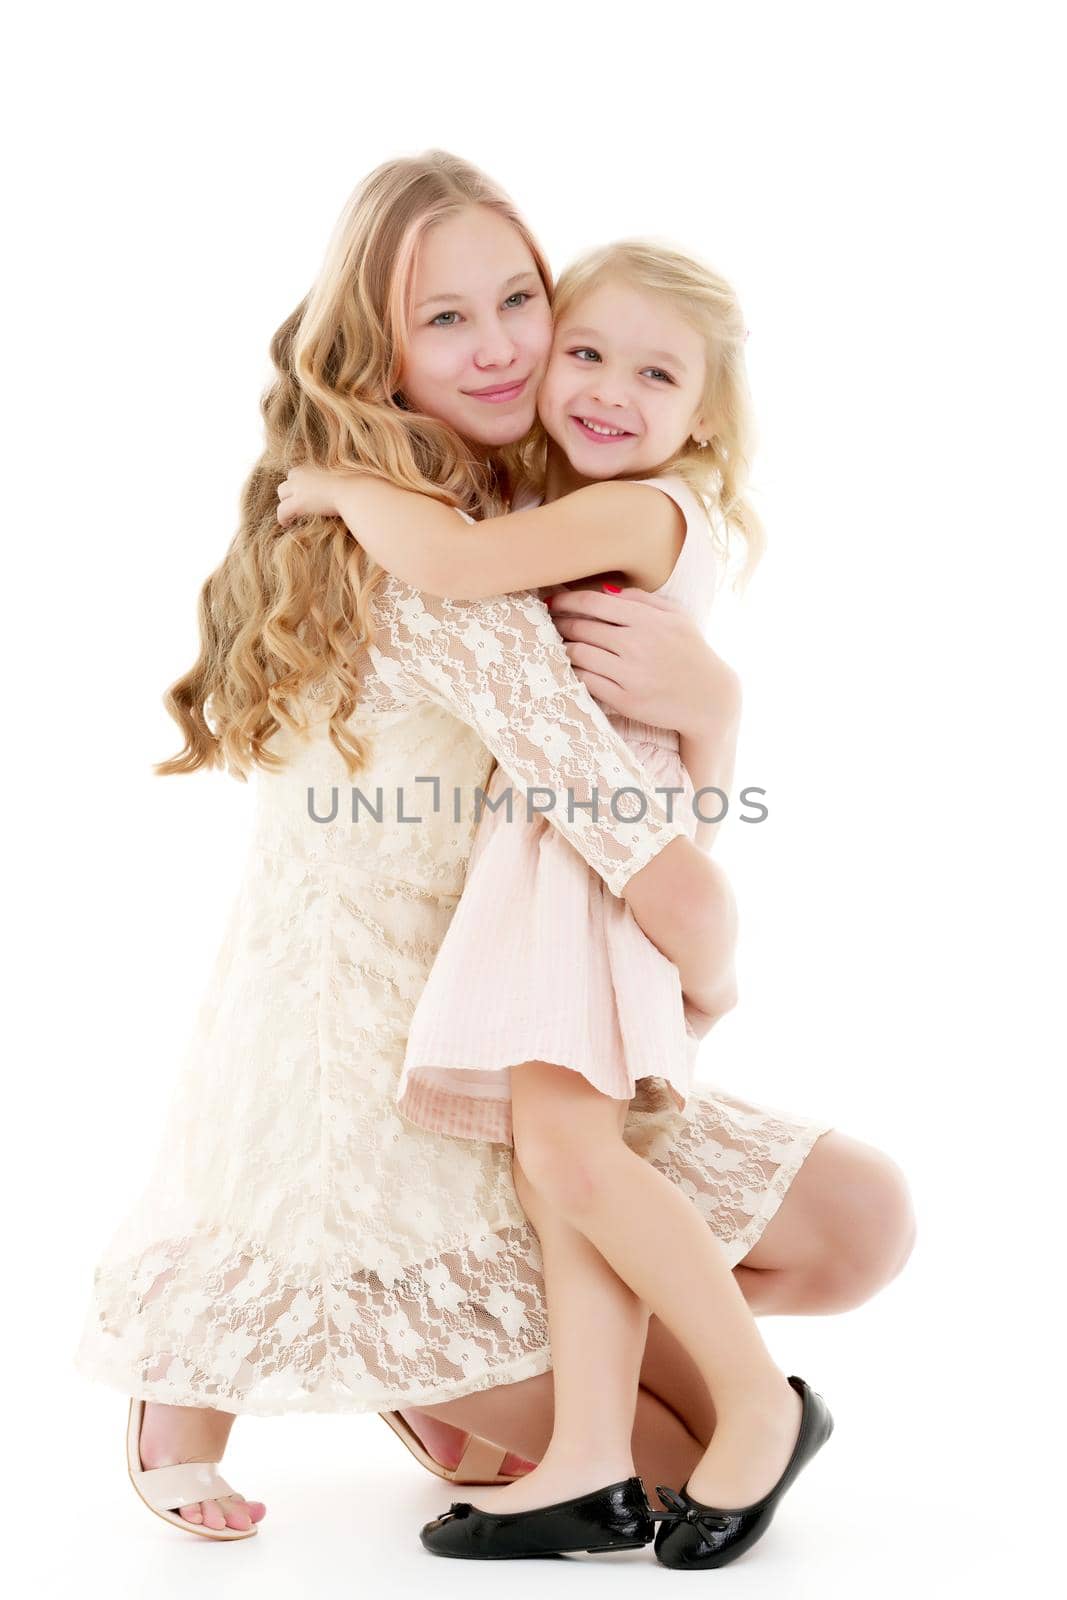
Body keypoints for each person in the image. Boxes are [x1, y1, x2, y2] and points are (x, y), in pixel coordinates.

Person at [73, 150, 915, 1542]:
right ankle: (445, 1364)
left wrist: (717, 712)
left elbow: (627, 797)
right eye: (444, 318)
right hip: (386, 1085)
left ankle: (510, 1377)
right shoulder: (419, 545)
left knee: (862, 1222)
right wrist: (708, 965)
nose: (504, 347)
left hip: (516, 1012)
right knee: (652, 1466)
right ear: (375, 345)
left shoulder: (534, 512)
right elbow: (658, 865)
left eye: (518, 299)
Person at [276, 238, 838, 1566]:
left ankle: (757, 1400)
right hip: (563, 866)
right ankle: (589, 1457)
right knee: (565, 1177)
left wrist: (345, 480)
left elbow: (461, 572)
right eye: (584, 352)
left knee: (576, 1161)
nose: (608, 390)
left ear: (701, 415)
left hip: (595, 871)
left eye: (655, 372)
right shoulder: (580, 506)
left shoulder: (644, 511)